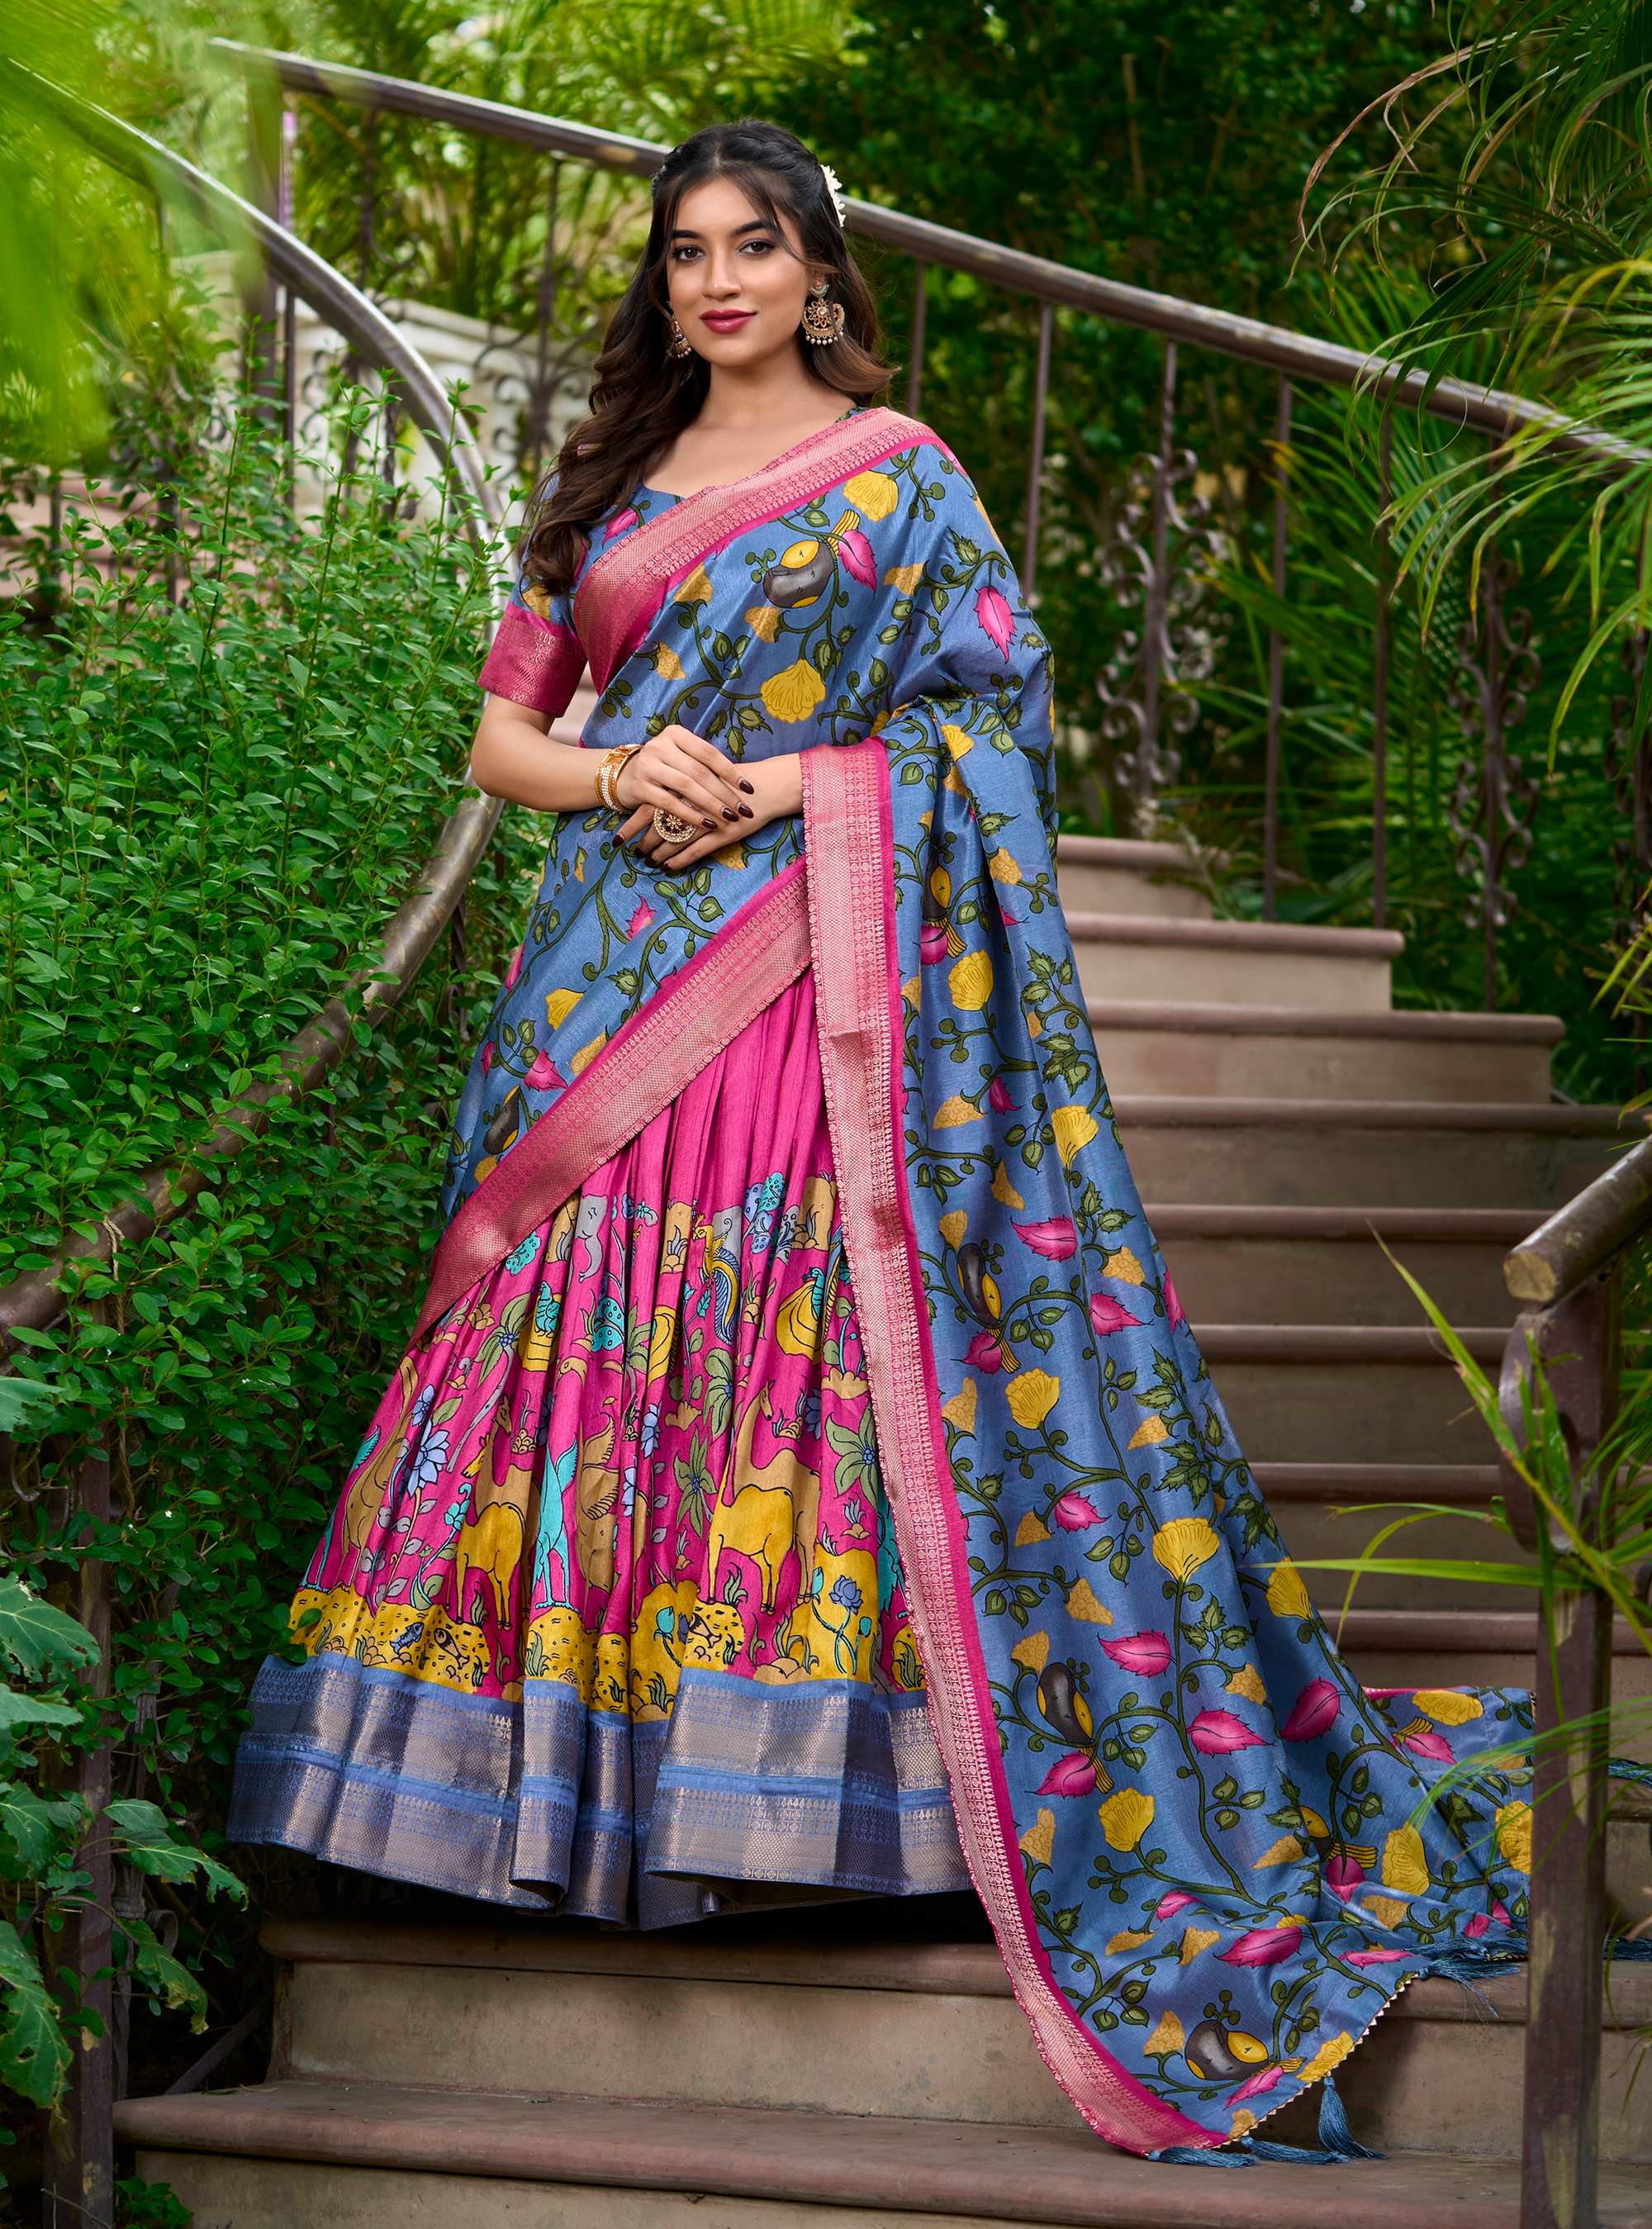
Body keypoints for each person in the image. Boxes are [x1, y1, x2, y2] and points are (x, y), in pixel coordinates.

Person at [230, 118, 1545, 2160]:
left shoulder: (900, 475)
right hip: (605, 971)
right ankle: (550, 1815)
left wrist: (778, 788)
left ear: (823, 270)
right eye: (688, 253)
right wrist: (610, 773)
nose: (722, 281)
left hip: (813, 976)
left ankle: (814, 1811)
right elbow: (496, 728)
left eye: (757, 246)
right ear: (660, 283)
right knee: (573, 1352)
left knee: (794, 1358)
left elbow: (989, 735)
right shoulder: (613, 486)